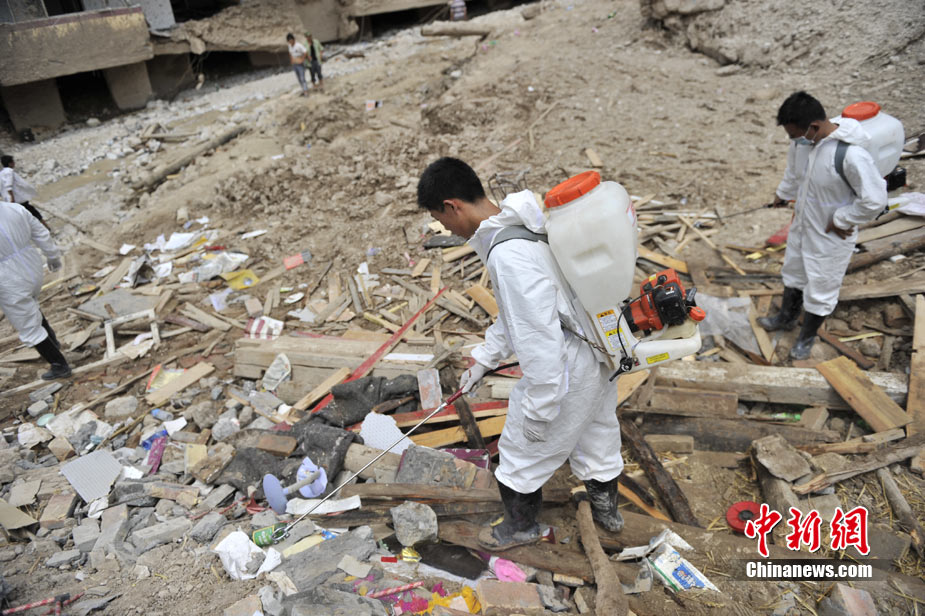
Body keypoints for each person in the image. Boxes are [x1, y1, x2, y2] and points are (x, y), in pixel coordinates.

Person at [417, 158, 624, 550]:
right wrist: (484, 359)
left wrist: (540, 408)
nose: (445, 229)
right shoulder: (526, 227)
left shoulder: (507, 255)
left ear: (452, 206)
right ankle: (607, 512)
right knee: (596, 433)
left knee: (520, 452)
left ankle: (520, 527)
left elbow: (537, 337)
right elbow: (518, 316)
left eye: (440, 220)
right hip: (599, 346)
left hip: (567, 363)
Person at [758, 91, 887, 359]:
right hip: (803, 224)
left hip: (831, 234)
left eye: (795, 135)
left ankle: (806, 337)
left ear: (814, 127)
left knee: (822, 285)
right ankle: (786, 318)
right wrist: (783, 194)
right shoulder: (802, 144)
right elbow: (794, 173)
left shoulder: (850, 156)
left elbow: (875, 200)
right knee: (793, 271)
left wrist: (843, 219)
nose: (793, 140)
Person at [0, 200, 71, 380]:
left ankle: (59, 364)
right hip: (31, 265)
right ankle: (53, 343)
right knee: (31, 305)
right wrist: (53, 257)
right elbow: (41, 233)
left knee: (27, 325)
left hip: (8, 277)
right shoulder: (14, 208)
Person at [1, 156, 50, 231]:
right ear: (10, 163)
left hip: (11, 202)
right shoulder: (9, 172)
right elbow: (8, 186)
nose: (14, 163)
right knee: (34, 213)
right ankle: (46, 228)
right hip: (18, 200)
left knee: (23, 217)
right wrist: (12, 198)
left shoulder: (1, 174)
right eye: (13, 162)